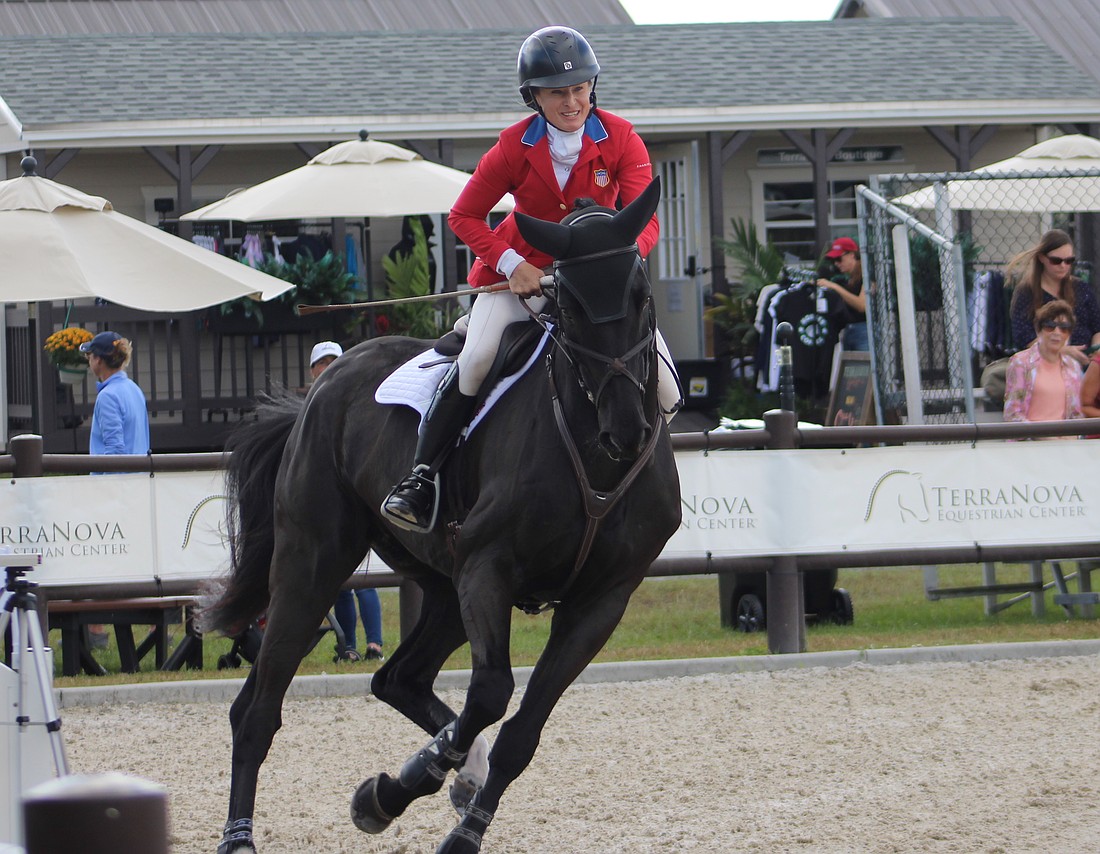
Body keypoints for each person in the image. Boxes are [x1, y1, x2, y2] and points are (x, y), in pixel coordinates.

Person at [381, 25, 681, 532]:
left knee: (668, 391)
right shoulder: (512, 148)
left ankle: (631, 475)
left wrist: (621, 261)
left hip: (594, 284)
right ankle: (422, 478)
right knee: (476, 359)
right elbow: (464, 217)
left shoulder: (622, 138)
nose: (572, 101)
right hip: (522, 277)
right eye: (558, 93)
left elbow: (644, 219)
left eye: (579, 89)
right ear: (535, 97)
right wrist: (510, 266)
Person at [310, 341, 385, 661]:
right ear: (312, 370)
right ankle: (349, 646)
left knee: (364, 579)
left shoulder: (360, 402)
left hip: (357, 497)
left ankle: (375, 643)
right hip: (330, 502)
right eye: (322, 363)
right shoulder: (310, 408)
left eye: (333, 361)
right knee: (340, 579)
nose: (328, 368)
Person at [79, 330, 150, 648]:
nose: (88, 360)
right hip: (135, 491)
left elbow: (114, 451)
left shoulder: (108, 397)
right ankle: (138, 633)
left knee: (97, 560)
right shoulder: (133, 390)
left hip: (113, 494)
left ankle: (96, 631)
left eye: (90, 355)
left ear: (99, 360)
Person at [1008, 229, 1100, 366]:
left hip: (1086, 361)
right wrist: (1062, 351)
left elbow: (1097, 327)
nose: (1063, 266)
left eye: (1069, 261)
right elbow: (1024, 337)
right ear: (1042, 258)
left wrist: (1095, 352)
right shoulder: (1026, 292)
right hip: (1044, 363)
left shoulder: (1081, 288)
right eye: (1056, 260)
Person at [1003, 300, 1083, 426]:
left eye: (1064, 328)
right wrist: (1042, 436)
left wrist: (1072, 437)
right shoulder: (1020, 363)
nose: (1057, 332)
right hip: (1030, 440)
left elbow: (1076, 415)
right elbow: (1012, 415)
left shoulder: (1073, 367)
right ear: (1038, 330)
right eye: (1050, 326)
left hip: (1066, 440)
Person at [816, 237, 868, 351]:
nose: (836, 264)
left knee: (865, 367)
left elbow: (862, 305)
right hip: (849, 330)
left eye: (839, 259)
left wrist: (834, 287)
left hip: (864, 330)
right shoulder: (850, 279)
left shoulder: (866, 274)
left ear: (852, 255)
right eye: (833, 261)